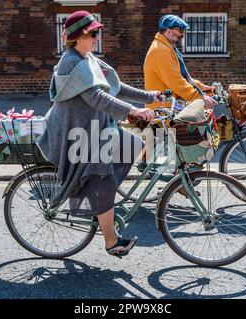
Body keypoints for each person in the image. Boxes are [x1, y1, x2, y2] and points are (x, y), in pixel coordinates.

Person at [37, 11, 158, 258]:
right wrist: (134, 111)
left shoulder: (88, 57)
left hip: (94, 127)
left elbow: (114, 86)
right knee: (103, 176)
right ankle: (111, 242)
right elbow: (97, 97)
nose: (96, 37)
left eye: (96, 33)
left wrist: (150, 96)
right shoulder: (70, 62)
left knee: (130, 145)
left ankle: (100, 198)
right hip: (75, 133)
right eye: (92, 33)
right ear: (78, 37)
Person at [144, 15, 217, 110]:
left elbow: (181, 76)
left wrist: (200, 86)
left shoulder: (168, 47)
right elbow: (176, 81)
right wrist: (199, 97)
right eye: (180, 30)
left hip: (168, 107)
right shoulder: (160, 50)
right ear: (168, 31)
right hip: (162, 111)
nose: (183, 34)